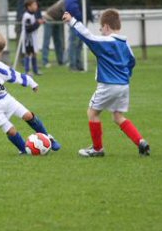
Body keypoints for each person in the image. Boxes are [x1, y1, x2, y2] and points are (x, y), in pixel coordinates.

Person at [62, 9, 150, 157]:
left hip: (108, 85)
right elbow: (132, 62)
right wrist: (125, 74)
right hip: (124, 86)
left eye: (101, 28)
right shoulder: (125, 44)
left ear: (107, 26)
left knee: (92, 113)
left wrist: (72, 21)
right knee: (118, 117)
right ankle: (141, 142)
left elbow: (88, 37)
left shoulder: (107, 41)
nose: (101, 31)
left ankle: (97, 149)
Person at [64, 0, 93, 71]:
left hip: (82, 19)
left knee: (80, 42)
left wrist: (89, 15)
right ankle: (73, 65)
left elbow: (85, 2)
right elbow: (71, 4)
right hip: (76, 19)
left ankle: (79, 64)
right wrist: (80, 16)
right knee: (74, 41)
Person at [21, 0, 45, 75]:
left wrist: (39, 23)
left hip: (33, 38)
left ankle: (35, 70)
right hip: (28, 39)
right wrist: (38, 23)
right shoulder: (27, 16)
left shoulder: (32, 15)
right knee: (28, 53)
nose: (36, 6)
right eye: (34, 5)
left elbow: (33, 27)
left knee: (34, 53)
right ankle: (27, 70)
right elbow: (29, 29)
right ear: (29, 6)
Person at [41, 0, 65, 68]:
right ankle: (45, 61)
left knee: (58, 41)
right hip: (48, 19)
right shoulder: (65, 1)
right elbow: (66, 13)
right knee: (47, 41)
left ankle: (61, 61)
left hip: (57, 20)